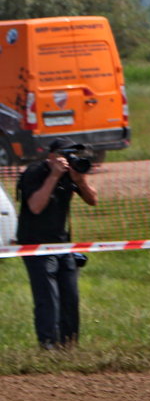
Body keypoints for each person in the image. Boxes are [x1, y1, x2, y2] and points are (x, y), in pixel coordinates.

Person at [16, 139, 98, 349]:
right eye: (66, 155)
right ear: (52, 156)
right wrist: (53, 176)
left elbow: (93, 200)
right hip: (35, 245)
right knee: (48, 298)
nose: (70, 160)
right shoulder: (35, 172)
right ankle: (49, 346)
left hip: (63, 244)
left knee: (70, 297)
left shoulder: (71, 173)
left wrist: (80, 181)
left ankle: (69, 346)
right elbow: (35, 206)